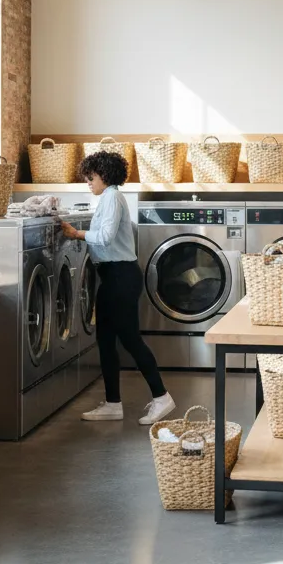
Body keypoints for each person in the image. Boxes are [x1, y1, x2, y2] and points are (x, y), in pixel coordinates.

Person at [60, 151, 175, 426]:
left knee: (130, 339)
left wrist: (77, 234)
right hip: (113, 277)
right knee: (106, 340)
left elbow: (105, 236)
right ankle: (113, 403)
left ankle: (162, 397)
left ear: (104, 175)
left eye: (91, 176)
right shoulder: (109, 198)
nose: (88, 181)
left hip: (121, 276)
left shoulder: (112, 196)